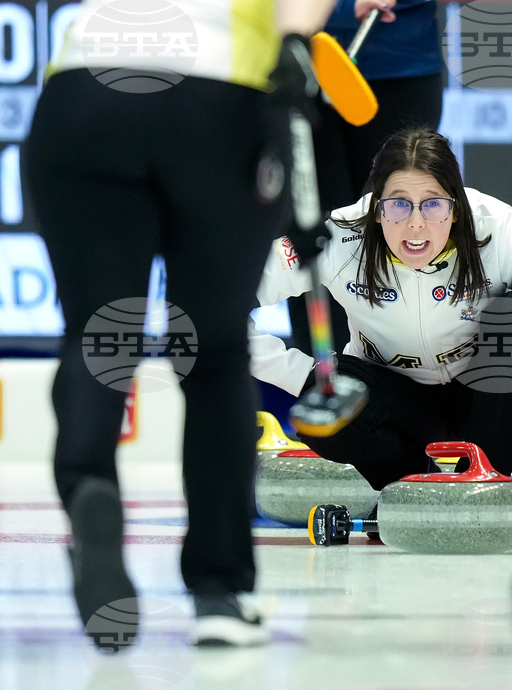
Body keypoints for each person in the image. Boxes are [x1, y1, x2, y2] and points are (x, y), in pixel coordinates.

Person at [26, 0, 338, 648]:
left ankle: (89, 487)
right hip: (218, 98)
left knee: (98, 331)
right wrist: (296, 42)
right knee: (215, 349)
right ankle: (218, 589)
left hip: (85, 87)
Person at [251, 128, 512, 518]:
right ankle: (413, 482)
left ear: (456, 207)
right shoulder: (339, 236)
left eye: (432, 205)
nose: (415, 225)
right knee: (320, 403)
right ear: (376, 207)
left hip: (492, 397)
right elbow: (224, 306)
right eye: (398, 205)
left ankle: (485, 482)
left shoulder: (499, 229)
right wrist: (300, 372)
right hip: (403, 407)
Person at [284, 0, 444, 360]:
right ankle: (321, 377)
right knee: (311, 230)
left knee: (400, 226)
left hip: (403, 73)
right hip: (299, 65)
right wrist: (341, 9)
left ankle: (405, 374)